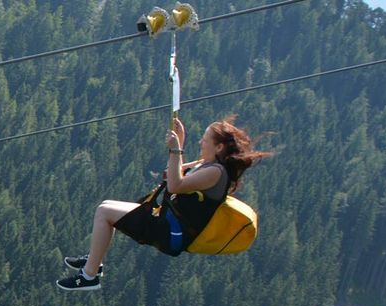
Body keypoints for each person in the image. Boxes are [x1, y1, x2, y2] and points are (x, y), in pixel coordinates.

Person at [58, 115, 270, 291]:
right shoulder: (208, 165)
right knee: (105, 207)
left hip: (170, 232)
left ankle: (89, 276)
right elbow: (172, 174)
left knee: (105, 212)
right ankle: (94, 262)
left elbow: (175, 186)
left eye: (205, 140)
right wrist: (179, 144)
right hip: (168, 221)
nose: (201, 143)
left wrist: (177, 150)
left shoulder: (215, 172)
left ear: (219, 147)